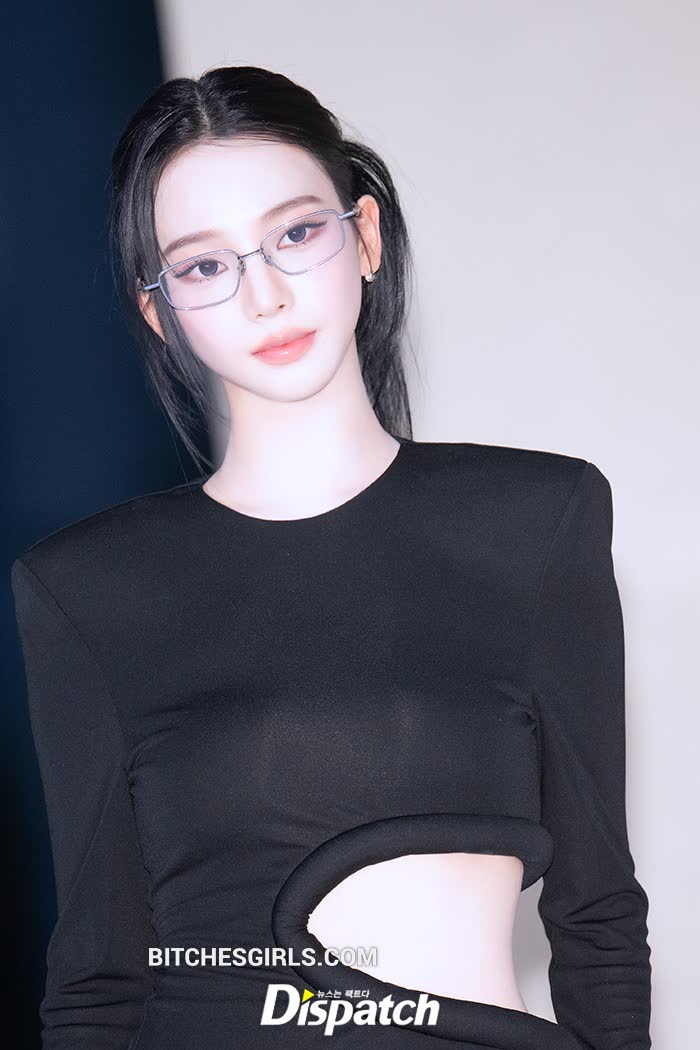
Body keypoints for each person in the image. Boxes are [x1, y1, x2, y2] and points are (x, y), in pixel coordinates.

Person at [11, 65, 652, 1050]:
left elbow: (598, 915)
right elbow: (99, 979)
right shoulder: (84, 588)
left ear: (365, 236)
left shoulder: (535, 520)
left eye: (296, 233)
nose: (265, 296)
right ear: (160, 312)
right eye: (204, 266)